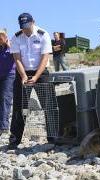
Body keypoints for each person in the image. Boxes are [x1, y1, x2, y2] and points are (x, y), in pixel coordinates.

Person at [9, 13, 59, 149]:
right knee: (20, 107)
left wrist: (36, 77)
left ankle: (53, 138)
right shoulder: (16, 37)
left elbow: (45, 57)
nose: (25, 30)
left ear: (33, 22)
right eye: (23, 27)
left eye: (27, 26)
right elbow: (17, 58)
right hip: (23, 73)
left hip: (41, 72)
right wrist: (24, 76)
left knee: (49, 105)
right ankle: (14, 139)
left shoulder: (44, 35)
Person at [0, 29, 15, 135]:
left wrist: (9, 45)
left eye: (1, 36)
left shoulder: (11, 46)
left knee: (5, 99)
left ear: (6, 37)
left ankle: (4, 126)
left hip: (9, 75)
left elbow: (18, 56)